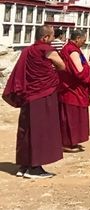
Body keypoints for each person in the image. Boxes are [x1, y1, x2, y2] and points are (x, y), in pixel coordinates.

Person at [2, 25, 66, 179]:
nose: (53, 39)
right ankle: (35, 168)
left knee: (27, 129)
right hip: (42, 94)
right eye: (52, 36)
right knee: (41, 130)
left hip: (29, 94)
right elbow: (62, 66)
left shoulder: (27, 51)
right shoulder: (45, 49)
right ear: (45, 38)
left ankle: (24, 166)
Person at [58, 29, 90, 152]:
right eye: (83, 40)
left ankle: (73, 141)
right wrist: (89, 66)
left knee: (75, 115)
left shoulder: (70, 48)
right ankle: (67, 143)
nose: (84, 43)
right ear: (77, 38)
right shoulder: (72, 50)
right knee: (71, 116)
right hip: (72, 89)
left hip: (73, 89)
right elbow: (79, 72)